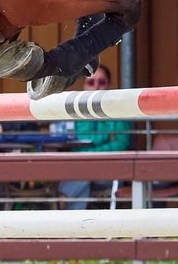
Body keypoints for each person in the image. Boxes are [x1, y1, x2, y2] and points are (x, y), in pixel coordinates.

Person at [57, 65, 132, 210]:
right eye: (91, 83)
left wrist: (88, 153)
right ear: (85, 86)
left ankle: (68, 213)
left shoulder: (119, 111)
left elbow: (121, 144)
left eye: (102, 82)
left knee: (79, 175)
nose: (96, 87)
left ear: (109, 85)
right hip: (79, 167)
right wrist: (105, 141)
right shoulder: (74, 112)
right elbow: (69, 143)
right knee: (80, 174)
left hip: (109, 169)